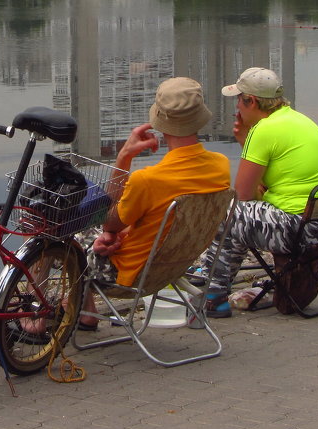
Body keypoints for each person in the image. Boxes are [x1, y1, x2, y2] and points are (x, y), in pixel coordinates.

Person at [79, 77, 231, 328]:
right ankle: (83, 310)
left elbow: (108, 222)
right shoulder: (221, 166)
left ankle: (63, 315)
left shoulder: (147, 180)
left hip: (129, 276)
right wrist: (121, 231)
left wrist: (124, 157)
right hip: (172, 268)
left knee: (61, 227)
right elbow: (159, 219)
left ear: (161, 121)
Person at [194, 67, 318, 318]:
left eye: (239, 100)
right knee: (240, 217)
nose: (236, 107)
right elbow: (264, 188)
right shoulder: (298, 120)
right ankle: (209, 275)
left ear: (252, 101)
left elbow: (243, 195)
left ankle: (213, 293)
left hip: (298, 230)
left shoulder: (264, 131)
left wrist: (247, 139)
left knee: (227, 212)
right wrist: (244, 141)